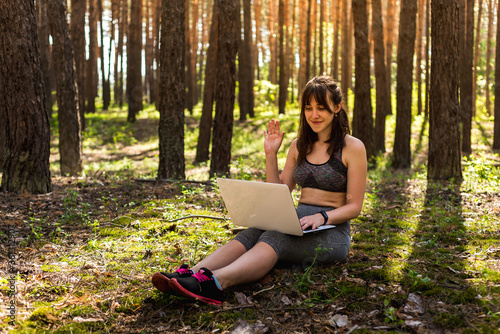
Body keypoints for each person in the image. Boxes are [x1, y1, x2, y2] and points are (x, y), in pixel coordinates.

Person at [151, 76, 367, 305]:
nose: (314, 114)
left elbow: (354, 207)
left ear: (337, 107)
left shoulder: (352, 148)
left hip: (332, 233)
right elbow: (281, 192)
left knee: (275, 237)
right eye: (309, 108)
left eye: (321, 108)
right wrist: (271, 155)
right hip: (298, 223)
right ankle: (192, 275)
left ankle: (215, 284)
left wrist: (322, 216)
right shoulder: (299, 146)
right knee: (254, 232)